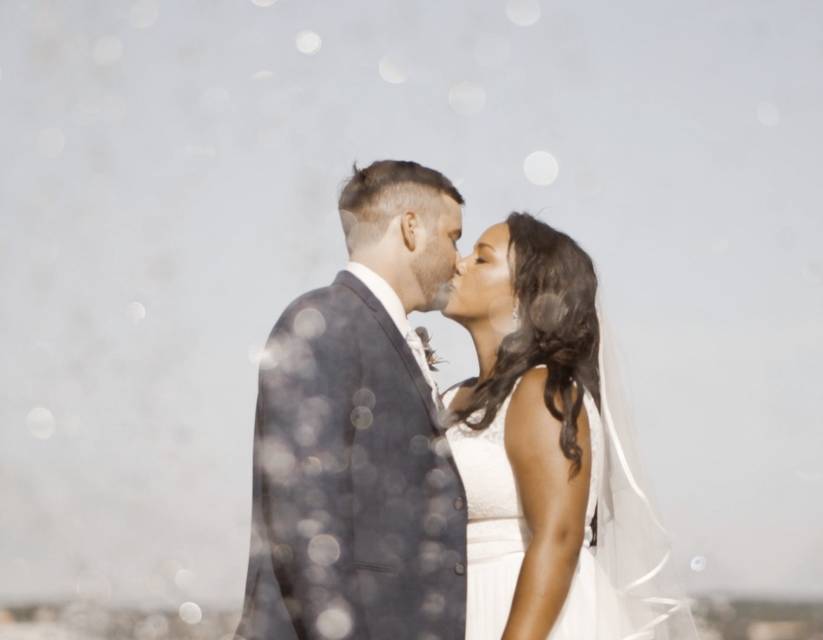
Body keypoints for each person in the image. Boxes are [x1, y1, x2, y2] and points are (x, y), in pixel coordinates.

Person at [233, 160, 470, 640]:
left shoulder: (373, 329)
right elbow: (304, 514)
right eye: (453, 237)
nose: (458, 259)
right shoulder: (324, 320)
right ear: (410, 228)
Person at [441, 212, 701, 639]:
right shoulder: (453, 396)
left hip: (528, 618)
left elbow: (559, 538)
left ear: (525, 294)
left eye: (482, 259)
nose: (460, 263)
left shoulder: (544, 391)